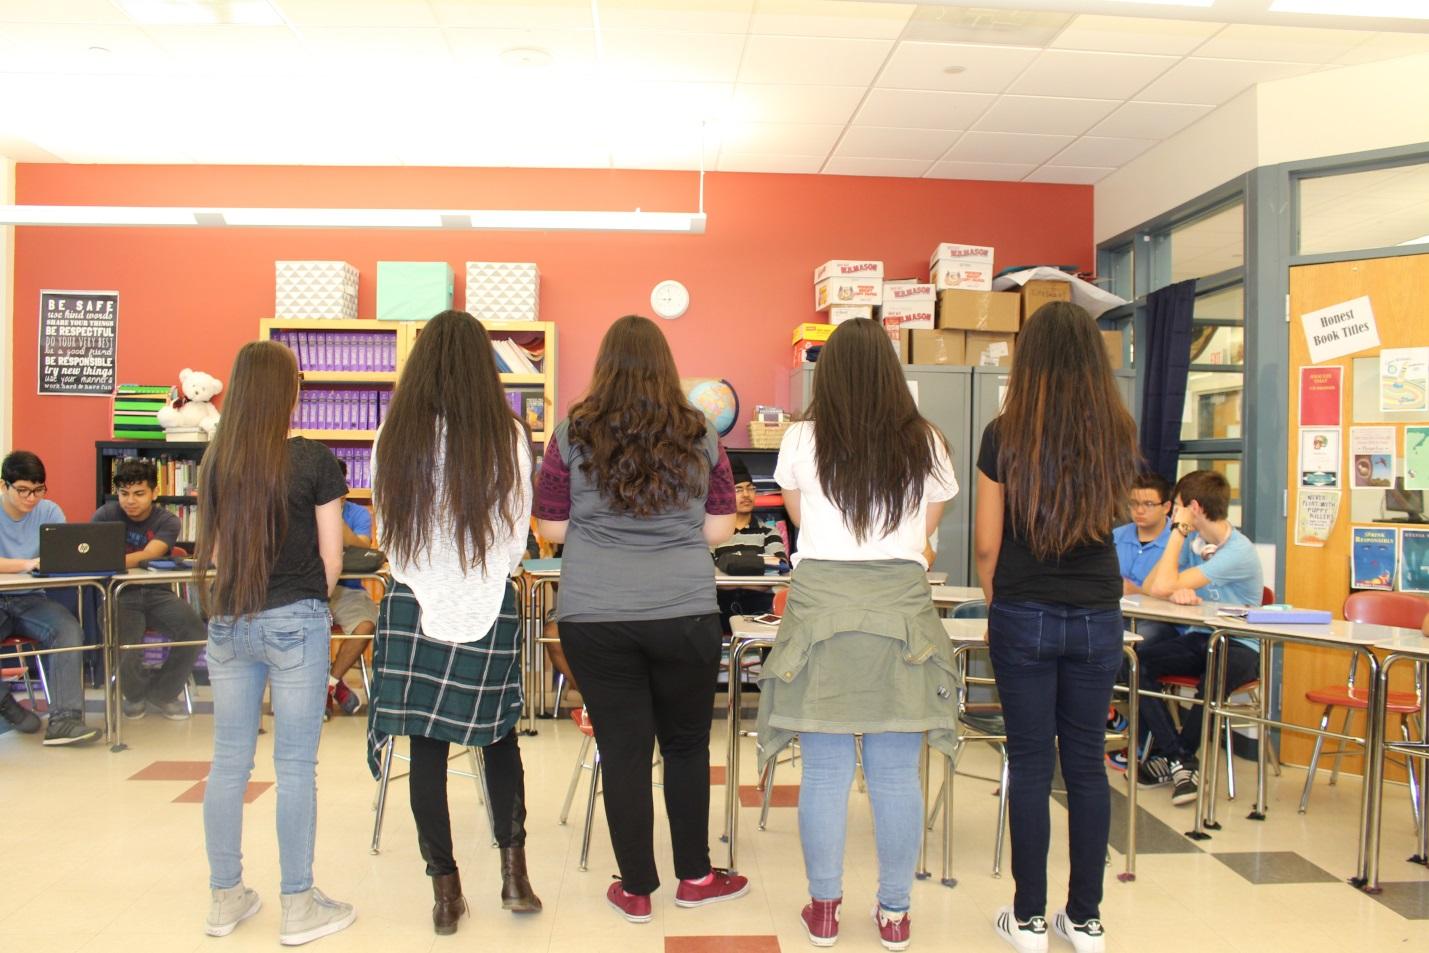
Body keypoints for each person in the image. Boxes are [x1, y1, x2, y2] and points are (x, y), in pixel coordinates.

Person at [534, 314, 748, 923]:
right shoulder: (700, 433)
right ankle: (696, 877)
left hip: (595, 614)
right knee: (686, 746)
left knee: (623, 749)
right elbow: (719, 529)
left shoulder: (571, 433)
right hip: (684, 611)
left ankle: (635, 889)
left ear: (604, 365)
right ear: (665, 366)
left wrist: (604, 526)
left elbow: (551, 526)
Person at [755, 317, 959, 952]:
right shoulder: (927, 441)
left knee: (824, 770)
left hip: (821, 609)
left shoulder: (801, 438)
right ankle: (894, 914)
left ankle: (824, 909)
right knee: (896, 773)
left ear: (829, 374)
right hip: (901, 609)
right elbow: (926, 530)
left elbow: (798, 516)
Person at [365, 310, 542, 935]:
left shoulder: (394, 434)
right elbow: (517, 534)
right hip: (489, 600)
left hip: (413, 604)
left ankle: (446, 894)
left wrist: (426, 570)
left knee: (427, 748)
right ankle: (515, 876)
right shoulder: (509, 435)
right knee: (500, 738)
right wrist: (483, 574)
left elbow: (387, 531)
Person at [974, 301, 1138, 953]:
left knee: (1030, 763)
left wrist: (1000, 607)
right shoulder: (1117, 431)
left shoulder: (1004, 433)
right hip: (1098, 613)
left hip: (1024, 610)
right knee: (1088, 765)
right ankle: (1087, 918)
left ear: (1029, 358)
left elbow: (986, 544)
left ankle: (1029, 919)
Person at [195, 340, 355, 945]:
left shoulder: (216, 460)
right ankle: (298, 904)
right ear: (289, 392)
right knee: (294, 767)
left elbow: (215, 552)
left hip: (229, 621)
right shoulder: (313, 460)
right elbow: (332, 558)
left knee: (228, 763)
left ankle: (224, 897)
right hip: (295, 620)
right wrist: (306, 601)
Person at [1137, 469, 1264, 808]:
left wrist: (1177, 534)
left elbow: (1165, 584)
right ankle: (1181, 760)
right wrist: (1176, 588)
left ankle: (1174, 758)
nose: (1174, 515)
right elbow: (1153, 586)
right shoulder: (1194, 544)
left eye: (1177, 507)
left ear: (1193, 508)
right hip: (1201, 637)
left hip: (1239, 643)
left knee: (1213, 679)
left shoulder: (1238, 552)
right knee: (1135, 662)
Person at [0, 450, 102, 745]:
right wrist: (28, 564)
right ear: (4, 485)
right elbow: (35, 562)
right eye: (23, 490)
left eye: (38, 489)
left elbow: (62, 556)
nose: (31, 498)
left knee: (68, 630)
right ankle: (4, 701)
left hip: (32, 599)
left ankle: (65, 722)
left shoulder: (50, 512)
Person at [93, 457, 203, 720]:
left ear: (154, 493)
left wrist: (111, 559)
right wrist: (107, 560)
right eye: (124, 493)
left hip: (158, 593)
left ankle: (163, 693)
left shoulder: (168, 520)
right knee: (123, 640)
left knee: (195, 631)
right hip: (119, 593)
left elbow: (149, 554)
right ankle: (134, 694)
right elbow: (93, 556)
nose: (130, 500)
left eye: (139, 493)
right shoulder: (105, 515)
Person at [326, 460, 377, 717]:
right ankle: (332, 687)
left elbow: (363, 548)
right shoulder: (303, 509)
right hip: (314, 588)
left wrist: (334, 519)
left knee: (367, 624)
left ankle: (329, 684)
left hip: (348, 590)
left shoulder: (358, 514)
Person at [712, 457, 788, 630]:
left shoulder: (769, 532)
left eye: (750, 488)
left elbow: (780, 568)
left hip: (760, 606)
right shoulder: (714, 533)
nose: (746, 495)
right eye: (738, 489)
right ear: (726, 495)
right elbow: (710, 576)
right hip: (719, 605)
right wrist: (759, 566)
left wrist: (728, 565)